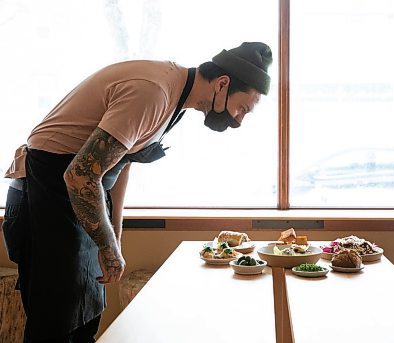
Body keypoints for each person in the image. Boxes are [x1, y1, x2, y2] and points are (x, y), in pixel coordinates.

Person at [2, 41, 272, 342]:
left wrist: (114, 235)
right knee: (53, 328)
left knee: (85, 322)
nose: (238, 119)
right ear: (223, 84)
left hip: (83, 200)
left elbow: (121, 165)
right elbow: (80, 176)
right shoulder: (154, 92)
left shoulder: (177, 101)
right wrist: (107, 246)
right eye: (242, 108)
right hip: (47, 193)